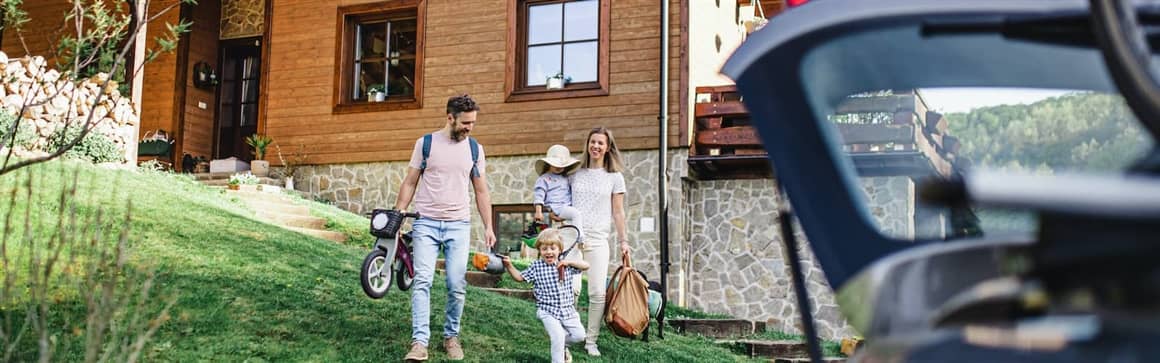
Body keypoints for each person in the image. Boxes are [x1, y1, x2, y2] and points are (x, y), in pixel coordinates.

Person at [392, 94, 497, 362]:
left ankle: (451, 337)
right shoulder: (425, 144)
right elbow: (410, 182)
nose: (469, 127)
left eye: (473, 122)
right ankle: (419, 342)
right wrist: (399, 213)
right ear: (450, 118)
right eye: (465, 122)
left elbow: (481, 191)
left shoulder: (475, 149)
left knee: (456, 283)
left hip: (458, 225)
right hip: (426, 222)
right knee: (422, 281)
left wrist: (489, 226)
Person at [565, 126, 629, 357]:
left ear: (608, 147)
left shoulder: (615, 178)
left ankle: (591, 340)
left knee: (597, 293)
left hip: (599, 238)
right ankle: (570, 333)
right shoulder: (574, 172)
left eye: (601, 143)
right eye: (593, 142)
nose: (596, 146)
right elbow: (562, 200)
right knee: (571, 289)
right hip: (572, 236)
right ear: (588, 144)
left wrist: (624, 241)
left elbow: (619, 212)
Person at [501, 228, 589, 363]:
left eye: (553, 248)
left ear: (560, 249)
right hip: (548, 311)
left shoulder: (565, 265)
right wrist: (509, 265)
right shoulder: (536, 266)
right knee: (558, 336)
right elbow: (519, 277)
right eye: (544, 249)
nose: (548, 252)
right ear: (539, 250)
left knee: (580, 336)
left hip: (568, 311)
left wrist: (569, 262)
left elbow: (586, 265)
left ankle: (562, 346)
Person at [533, 144, 583, 238]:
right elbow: (539, 195)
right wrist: (538, 212)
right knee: (576, 214)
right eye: (555, 164)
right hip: (557, 207)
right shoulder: (544, 179)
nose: (559, 167)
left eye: (562, 165)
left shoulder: (566, 178)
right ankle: (580, 237)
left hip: (566, 208)